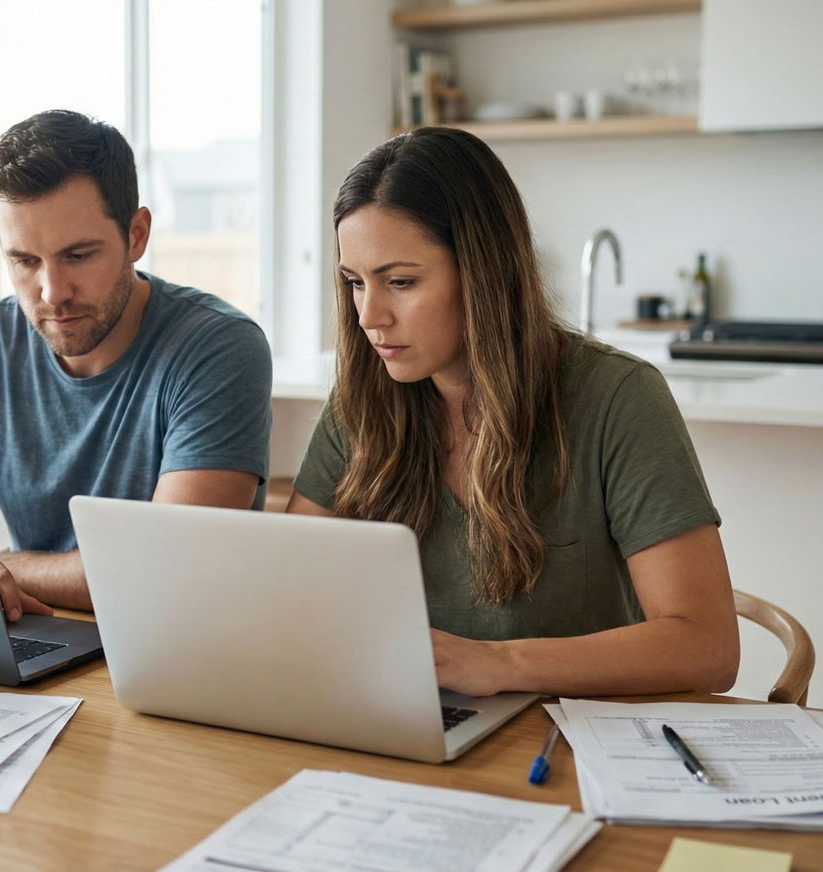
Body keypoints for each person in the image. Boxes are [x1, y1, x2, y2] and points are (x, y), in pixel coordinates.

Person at [288, 127, 738, 698]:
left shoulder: (617, 396)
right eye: (355, 283)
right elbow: (292, 587)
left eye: (400, 282)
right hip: (407, 723)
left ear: (483, 272)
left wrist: (497, 663)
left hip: (571, 741)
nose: (369, 315)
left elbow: (708, 648)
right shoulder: (363, 398)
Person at [0, 110, 272, 620]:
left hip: (180, 643)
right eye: (24, 261)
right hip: (41, 631)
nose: (52, 292)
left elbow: (165, 569)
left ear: (136, 234)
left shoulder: (217, 347)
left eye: (79, 255)